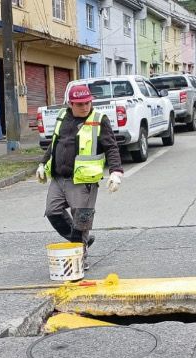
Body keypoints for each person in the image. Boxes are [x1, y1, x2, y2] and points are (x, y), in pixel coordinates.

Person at [36, 84, 124, 270]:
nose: (85, 107)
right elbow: (54, 144)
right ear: (70, 104)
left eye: (88, 103)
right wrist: (43, 163)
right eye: (80, 104)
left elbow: (111, 147)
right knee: (53, 211)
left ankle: (78, 258)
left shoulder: (99, 120)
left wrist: (116, 171)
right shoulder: (62, 117)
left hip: (84, 180)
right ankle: (81, 240)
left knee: (81, 218)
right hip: (59, 178)